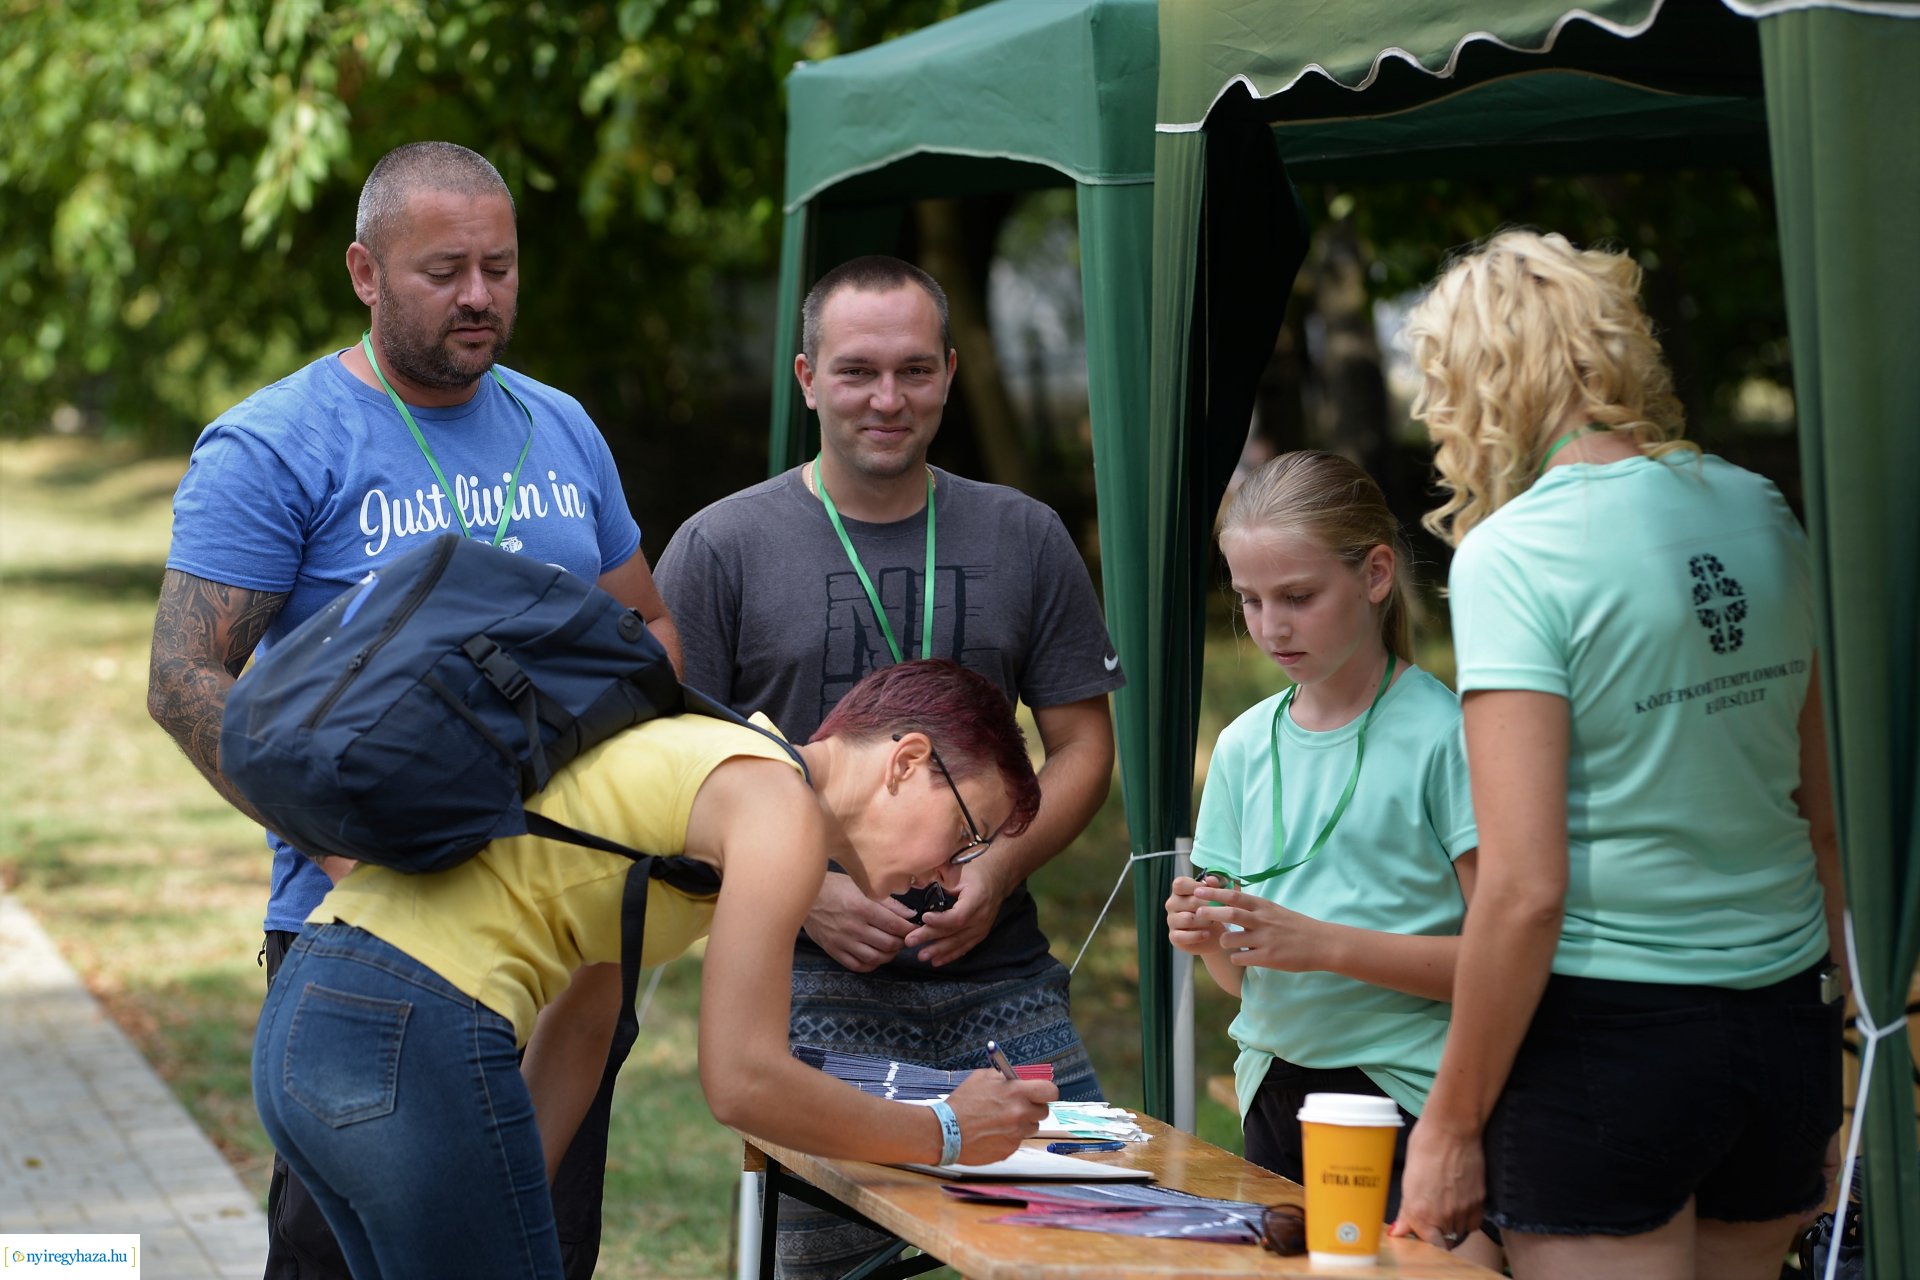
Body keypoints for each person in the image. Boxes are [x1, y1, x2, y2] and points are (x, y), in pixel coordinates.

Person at [146, 141, 679, 1280]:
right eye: (445, 269)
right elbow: (187, 678)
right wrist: (348, 851)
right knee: (347, 1260)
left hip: (562, 942)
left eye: (500, 265)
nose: (480, 295)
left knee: (533, 1252)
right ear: (364, 271)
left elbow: (651, 632)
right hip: (370, 944)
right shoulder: (276, 441)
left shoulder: (563, 426)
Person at [252, 658, 1059, 1280]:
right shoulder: (777, 809)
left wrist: (513, 1214)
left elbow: (584, 1012)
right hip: (410, 1026)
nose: (954, 877)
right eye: (964, 835)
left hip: (318, 1013)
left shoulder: (714, 765)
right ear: (906, 762)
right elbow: (742, 1080)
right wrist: (946, 1131)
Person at [654, 253, 1123, 1276]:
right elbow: (673, 770)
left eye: (915, 370)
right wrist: (807, 887)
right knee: (824, 1263)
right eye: (858, 370)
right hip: (810, 977)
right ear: (806, 377)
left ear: (952, 372)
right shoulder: (721, 546)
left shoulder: (1025, 534)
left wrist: (997, 867)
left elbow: (1086, 746)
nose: (887, 397)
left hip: (999, 967)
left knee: (1099, 1235)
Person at [1391, 230, 1846, 1280]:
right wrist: (1830, 1044)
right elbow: (1822, 813)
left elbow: (1522, 888)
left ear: (1474, 383)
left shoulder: (1514, 555)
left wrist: (1451, 1123)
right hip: (1783, 1018)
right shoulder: (1759, 508)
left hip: (1611, 1037)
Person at [1164, 451, 1497, 1267]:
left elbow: (1505, 962)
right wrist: (1213, 942)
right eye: (1249, 599)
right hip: (1275, 1095)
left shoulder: (1447, 734)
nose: (1270, 626)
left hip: (1414, 1097)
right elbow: (1242, 982)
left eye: (1298, 598)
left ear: (1376, 574)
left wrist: (1324, 945)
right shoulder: (1242, 747)